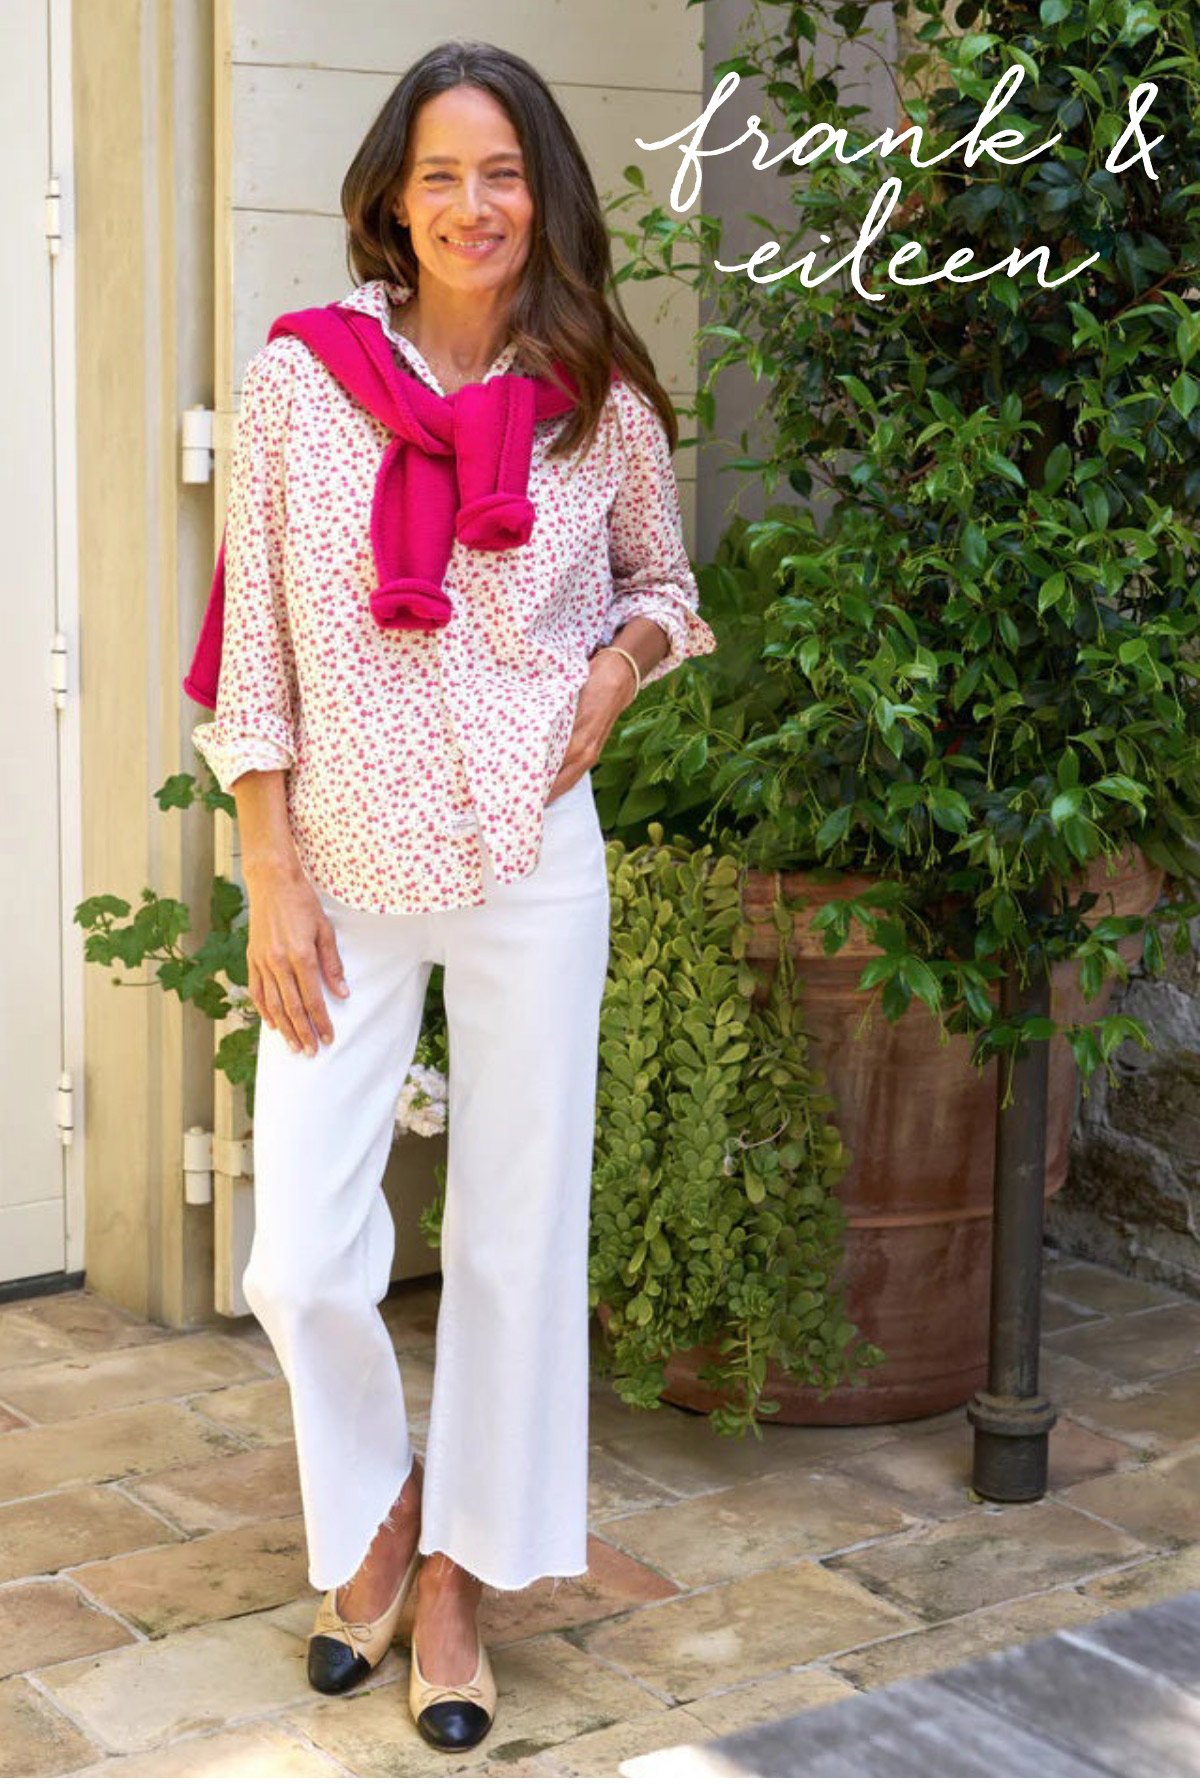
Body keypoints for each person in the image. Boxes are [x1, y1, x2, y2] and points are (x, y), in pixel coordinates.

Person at [188, 38, 716, 1754]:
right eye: (442, 176)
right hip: (339, 866)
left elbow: (665, 581)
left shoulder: (597, 401)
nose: (474, 206)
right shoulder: (301, 385)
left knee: (513, 1235)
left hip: (532, 865)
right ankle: (376, 1511)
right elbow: (250, 650)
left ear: (539, 195)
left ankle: (453, 1584)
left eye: (503, 175)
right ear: (393, 199)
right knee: (299, 1260)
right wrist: (267, 867)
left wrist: (619, 674)